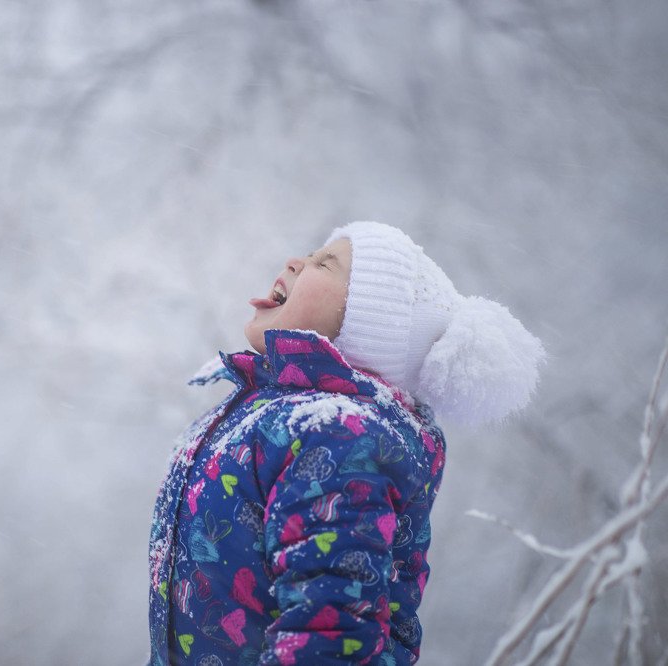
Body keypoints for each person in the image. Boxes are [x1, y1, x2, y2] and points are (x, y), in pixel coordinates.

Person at [147, 221, 544, 665]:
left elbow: (330, 631)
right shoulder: (279, 413)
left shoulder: (338, 435)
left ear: (367, 321)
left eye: (324, 263)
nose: (295, 261)